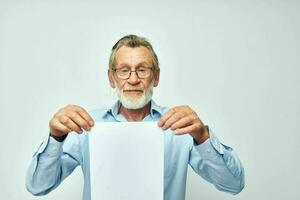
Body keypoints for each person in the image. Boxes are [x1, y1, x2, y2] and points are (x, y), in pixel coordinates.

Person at [26, 34, 245, 200]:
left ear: (156, 76)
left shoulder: (180, 127)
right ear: (111, 78)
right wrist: (55, 138)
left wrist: (203, 137)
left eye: (142, 69)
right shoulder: (86, 126)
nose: (133, 79)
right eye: (124, 70)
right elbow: (37, 186)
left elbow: (234, 184)